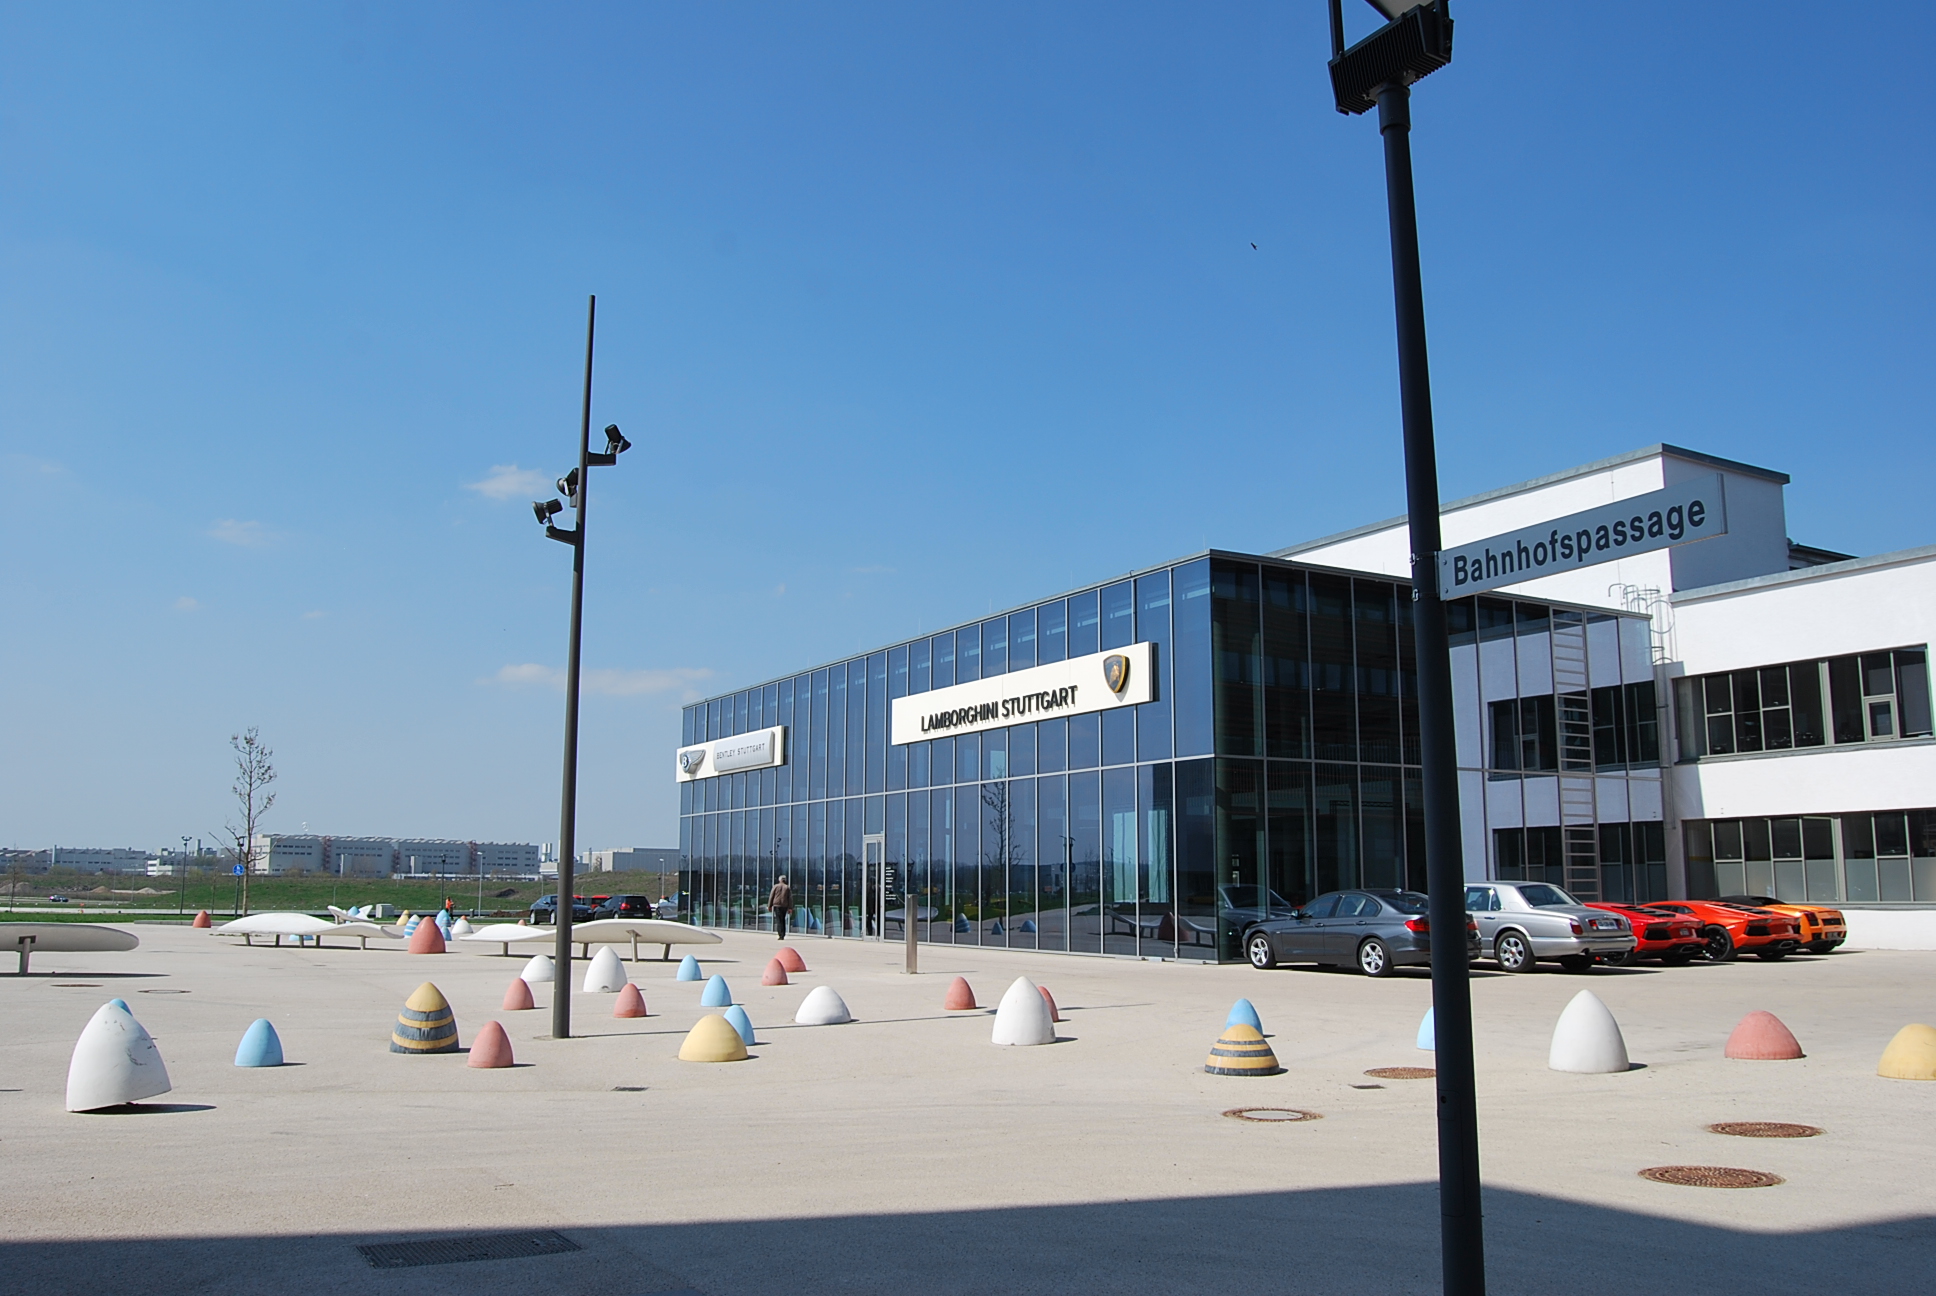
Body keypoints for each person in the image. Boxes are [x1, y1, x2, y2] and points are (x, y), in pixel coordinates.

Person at [769, 874, 793, 940]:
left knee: (779, 920)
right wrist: (790, 907)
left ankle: (780, 934)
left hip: (777, 905)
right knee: (783, 920)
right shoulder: (787, 887)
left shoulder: (776, 886)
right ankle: (783, 934)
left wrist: (769, 905)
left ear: (779, 880)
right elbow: (790, 898)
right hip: (784, 906)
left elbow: (771, 896)